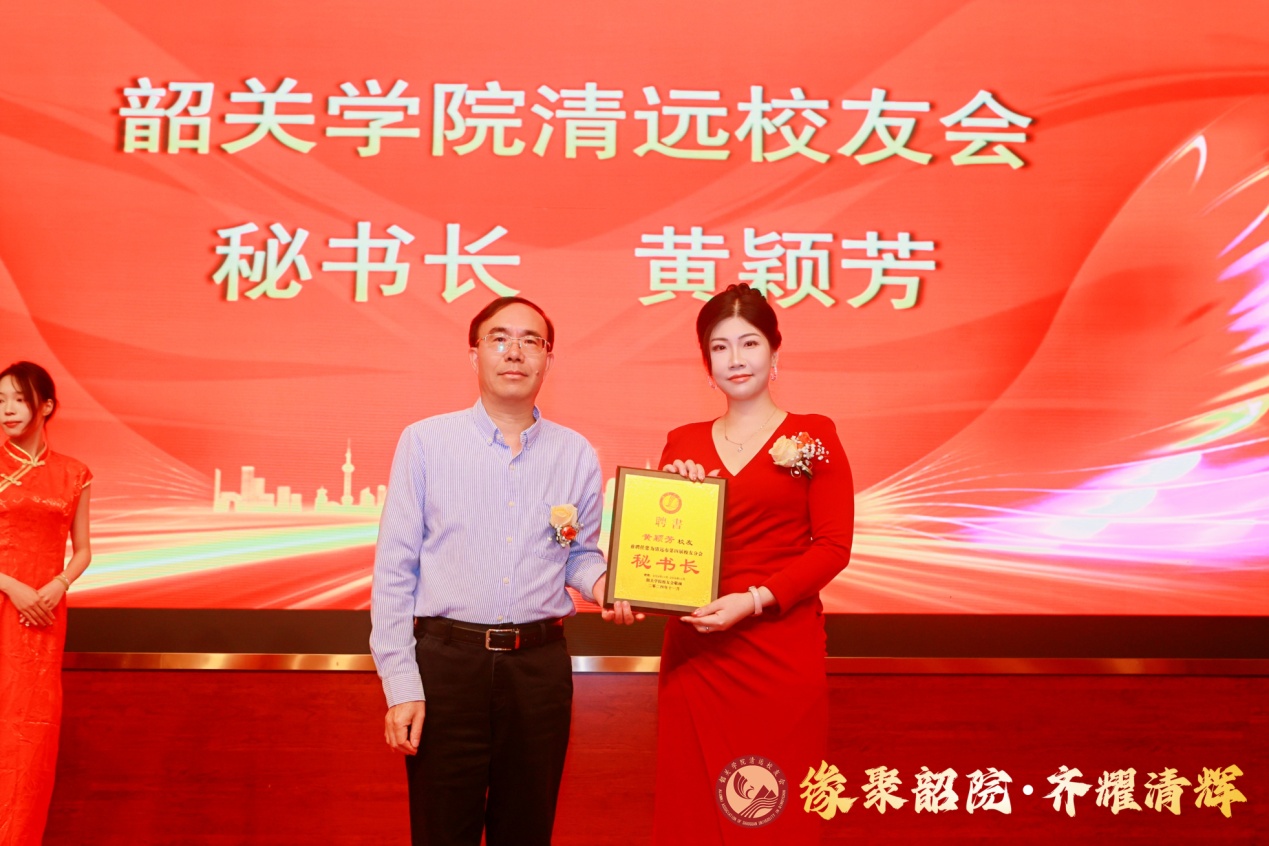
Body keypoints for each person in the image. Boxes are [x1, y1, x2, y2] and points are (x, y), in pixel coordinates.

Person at [370, 296, 636, 846]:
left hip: (538, 670)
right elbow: (394, 570)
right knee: (443, 832)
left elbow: (579, 554)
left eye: (530, 341)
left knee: (527, 832)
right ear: (475, 354)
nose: (515, 352)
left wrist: (610, 587)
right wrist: (401, 685)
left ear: (548, 359)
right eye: (499, 338)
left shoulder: (575, 453)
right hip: (446, 666)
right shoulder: (425, 442)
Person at [653, 284, 854, 844]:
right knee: (692, 813)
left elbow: (833, 547)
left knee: (776, 813)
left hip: (780, 649)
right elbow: (663, 547)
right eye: (720, 348)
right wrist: (674, 494)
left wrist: (755, 600)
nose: (735, 359)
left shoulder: (814, 434)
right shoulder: (682, 443)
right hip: (698, 655)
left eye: (749, 343)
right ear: (706, 363)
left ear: (774, 352)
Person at [0, 361, 93, 846]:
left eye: (18, 399)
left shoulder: (74, 473)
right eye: (1, 400)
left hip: (42, 618)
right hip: (6, 600)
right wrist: (11, 586)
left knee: (31, 737)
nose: (7, 409)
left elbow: (84, 550)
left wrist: (59, 584)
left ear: (47, 406)